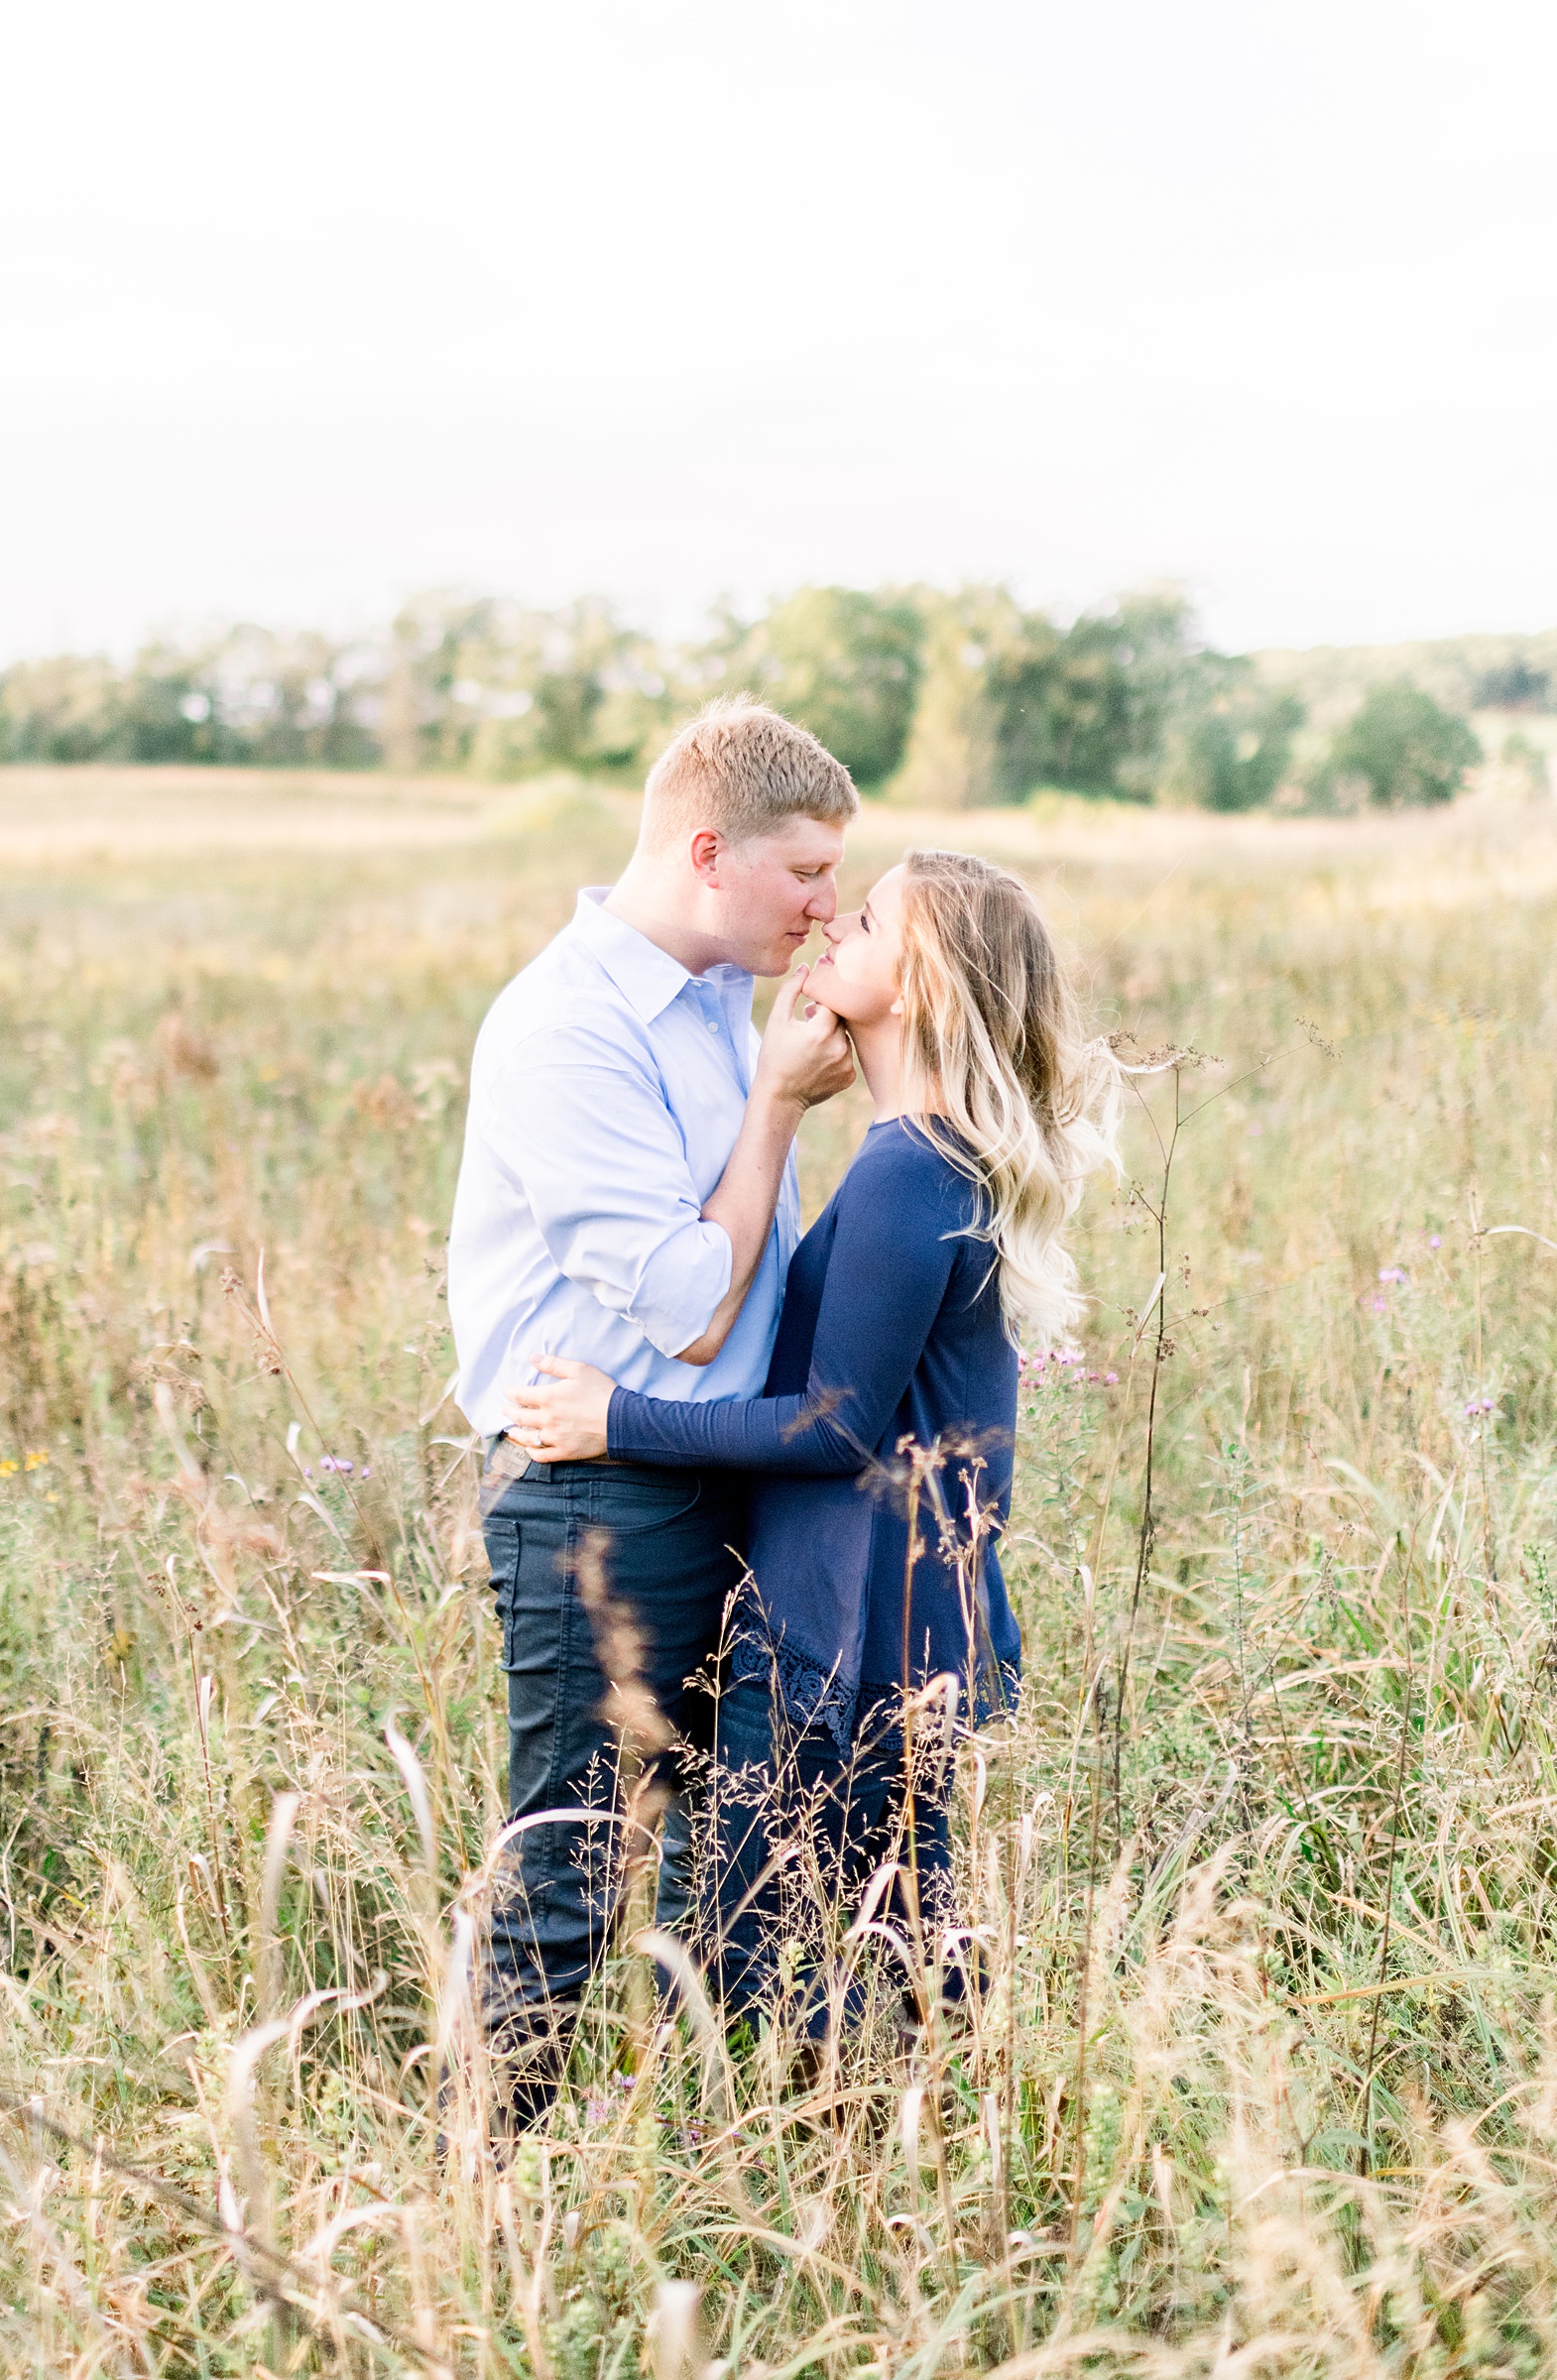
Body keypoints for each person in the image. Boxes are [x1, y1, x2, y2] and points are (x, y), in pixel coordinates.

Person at [506, 848, 1123, 2032]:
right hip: (890, 1610)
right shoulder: (924, 1158)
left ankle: (835, 2156)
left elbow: (836, 1428)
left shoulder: (910, 1168)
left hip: (849, 1624)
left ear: (926, 983)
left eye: (872, 918)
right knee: (896, 1923)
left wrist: (614, 1417)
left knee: (751, 1945)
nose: (835, 920)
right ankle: (935, 2146)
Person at [447, 697, 858, 2124]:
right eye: (804, 870)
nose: (827, 903)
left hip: (709, 1464)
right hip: (595, 1499)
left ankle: (690, 2170)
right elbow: (688, 1297)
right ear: (707, 852)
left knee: (719, 1854)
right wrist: (781, 1108)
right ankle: (481, 2210)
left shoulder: (708, 1005)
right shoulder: (568, 1026)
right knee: (569, 1869)